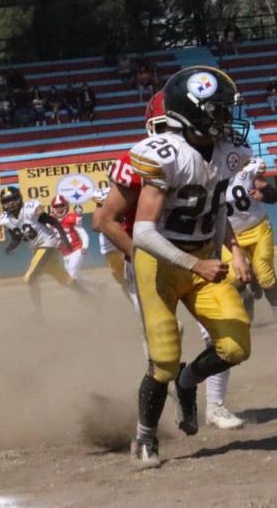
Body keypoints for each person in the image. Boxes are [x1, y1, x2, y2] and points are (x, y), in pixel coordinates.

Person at [92, 90, 249, 432]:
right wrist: (140, 256)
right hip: (151, 259)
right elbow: (103, 220)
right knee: (165, 344)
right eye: (162, 126)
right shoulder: (142, 161)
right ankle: (148, 427)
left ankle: (215, 404)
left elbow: (213, 209)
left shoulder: (211, 156)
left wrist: (233, 250)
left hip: (195, 253)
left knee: (220, 336)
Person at [125, 65, 255, 468]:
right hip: (161, 262)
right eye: (217, 110)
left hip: (202, 256)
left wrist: (222, 251)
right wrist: (197, 264)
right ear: (192, 112)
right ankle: (145, 437)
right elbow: (143, 233)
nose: (226, 118)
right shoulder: (167, 154)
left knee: (235, 346)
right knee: (162, 361)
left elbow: (215, 209)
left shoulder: (228, 152)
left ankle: (189, 381)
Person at [222, 157, 277, 328]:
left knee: (265, 274)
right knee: (232, 277)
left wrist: (263, 195)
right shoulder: (207, 176)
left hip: (257, 228)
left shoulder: (247, 171)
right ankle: (246, 296)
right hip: (230, 236)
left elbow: (273, 195)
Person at [0, 187, 88, 313]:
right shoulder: (7, 219)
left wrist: (65, 240)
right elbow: (16, 237)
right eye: (6, 201)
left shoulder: (30, 209)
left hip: (48, 244)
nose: (10, 204)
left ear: (19, 198)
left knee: (30, 278)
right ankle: (90, 297)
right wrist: (9, 248)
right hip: (39, 249)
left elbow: (54, 222)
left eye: (12, 200)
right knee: (65, 279)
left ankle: (38, 314)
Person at [50, 195, 90, 280]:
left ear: (65, 206)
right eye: (56, 206)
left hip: (76, 250)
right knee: (74, 276)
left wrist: (85, 246)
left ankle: (84, 292)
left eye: (61, 205)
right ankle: (95, 288)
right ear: (53, 208)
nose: (59, 208)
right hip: (65, 253)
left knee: (71, 274)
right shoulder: (51, 221)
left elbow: (82, 233)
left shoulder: (71, 218)